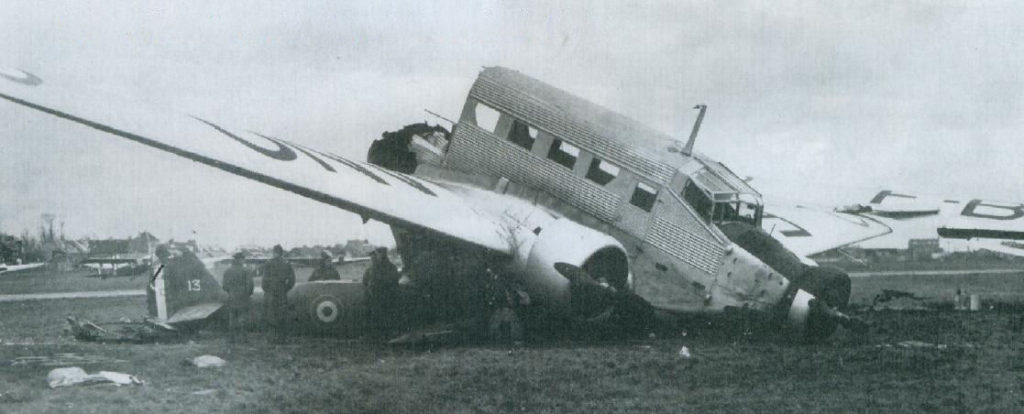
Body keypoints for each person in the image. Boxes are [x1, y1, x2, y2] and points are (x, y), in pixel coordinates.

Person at [363, 247, 400, 336]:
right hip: (383, 297)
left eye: (378, 254)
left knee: (381, 317)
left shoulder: (376, 269)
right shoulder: (390, 267)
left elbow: (367, 282)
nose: (377, 256)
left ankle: (380, 335)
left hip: (381, 297)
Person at [260, 244, 295, 338]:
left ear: (274, 252)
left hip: (271, 293)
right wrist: (285, 289)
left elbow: (263, 282)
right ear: (281, 253)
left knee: (271, 315)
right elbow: (292, 280)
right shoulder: (287, 263)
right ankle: (282, 338)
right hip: (282, 292)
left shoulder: (268, 263)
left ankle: (272, 338)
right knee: (282, 315)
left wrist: (267, 290)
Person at [222, 252, 255, 341]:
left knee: (232, 318)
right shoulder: (246, 270)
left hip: (232, 297)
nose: (243, 260)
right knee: (242, 318)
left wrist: (231, 292)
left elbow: (224, 286)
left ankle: (231, 338)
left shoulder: (227, 271)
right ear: (240, 260)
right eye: (243, 259)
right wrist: (248, 294)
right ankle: (243, 338)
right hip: (243, 297)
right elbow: (250, 285)